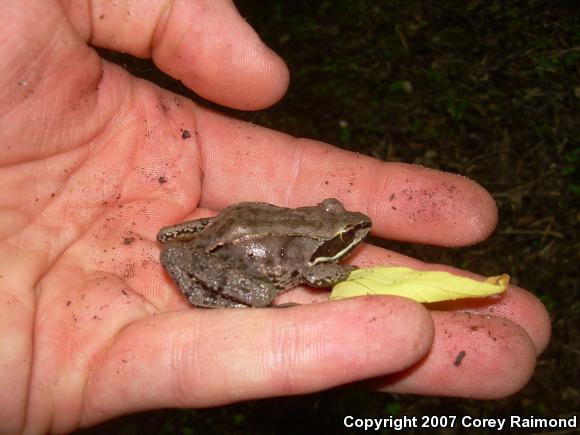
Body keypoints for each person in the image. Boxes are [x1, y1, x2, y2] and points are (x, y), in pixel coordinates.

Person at [0, 1, 550, 433]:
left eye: (338, 224)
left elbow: (300, 250)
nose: (354, 227)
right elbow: (315, 272)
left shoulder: (315, 224)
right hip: (228, 247)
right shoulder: (321, 256)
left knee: (208, 259)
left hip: (218, 227)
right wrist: (339, 272)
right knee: (264, 297)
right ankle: (208, 296)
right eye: (342, 230)